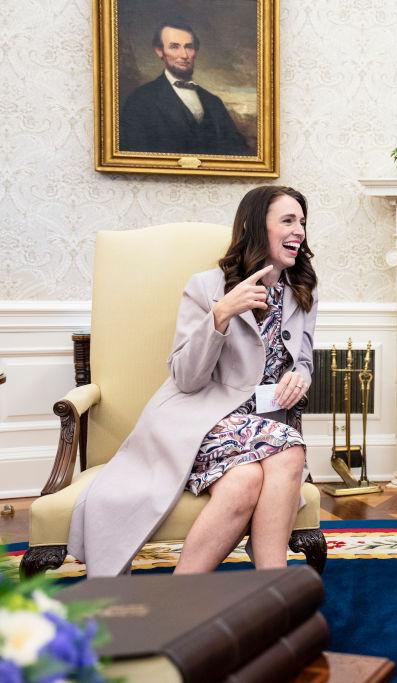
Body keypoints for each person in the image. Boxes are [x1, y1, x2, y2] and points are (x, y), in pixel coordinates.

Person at [68, 185, 318, 577]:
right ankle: (277, 587)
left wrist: (300, 375)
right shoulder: (206, 287)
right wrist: (220, 315)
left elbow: (303, 359)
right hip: (200, 420)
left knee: (245, 480)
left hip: (263, 425)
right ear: (257, 227)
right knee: (290, 449)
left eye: (301, 221)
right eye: (288, 221)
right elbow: (186, 377)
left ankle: (179, 597)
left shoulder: (302, 289)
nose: (299, 230)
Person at [120, 19, 252, 155]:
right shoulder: (140, 100)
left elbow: (238, 151)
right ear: (160, 51)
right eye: (174, 47)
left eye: (189, 46)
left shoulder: (213, 102)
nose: (184, 55)